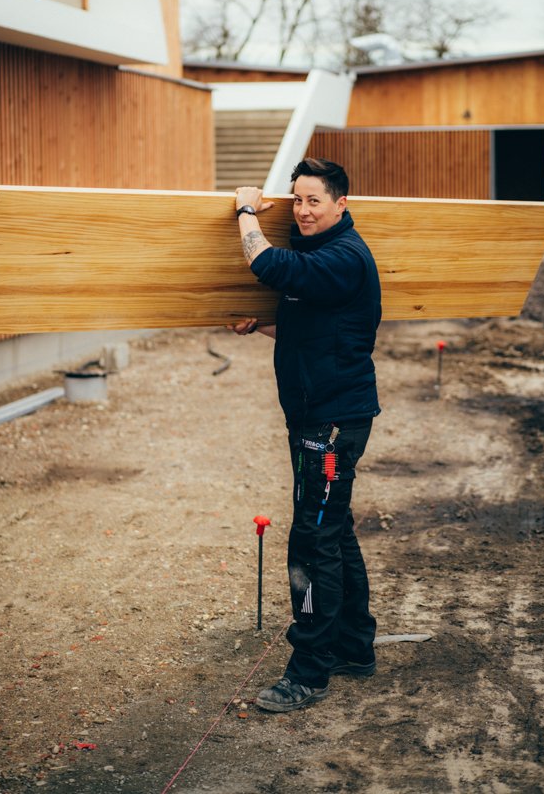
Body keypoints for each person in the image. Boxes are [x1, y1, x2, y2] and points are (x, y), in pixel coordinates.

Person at [232, 157, 382, 713]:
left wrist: (247, 209)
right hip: (316, 416)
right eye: (296, 200)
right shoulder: (322, 256)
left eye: (313, 200)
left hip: (332, 423)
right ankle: (353, 648)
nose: (301, 210)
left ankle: (310, 672)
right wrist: (262, 326)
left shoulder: (343, 256)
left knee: (313, 540)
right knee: (333, 532)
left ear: (342, 204)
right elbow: (315, 321)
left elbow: (269, 266)